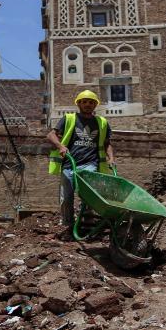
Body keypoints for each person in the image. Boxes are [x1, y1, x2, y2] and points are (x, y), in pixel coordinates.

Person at [47, 90, 115, 231]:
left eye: (91, 102)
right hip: (69, 164)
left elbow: (107, 143)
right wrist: (60, 146)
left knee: (88, 195)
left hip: (90, 164)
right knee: (66, 198)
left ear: (95, 105)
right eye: (84, 102)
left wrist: (111, 158)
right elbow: (51, 135)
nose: (87, 105)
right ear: (79, 104)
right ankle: (68, 225)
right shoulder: (69, 119)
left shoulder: (102, 122)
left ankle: (87, 223)